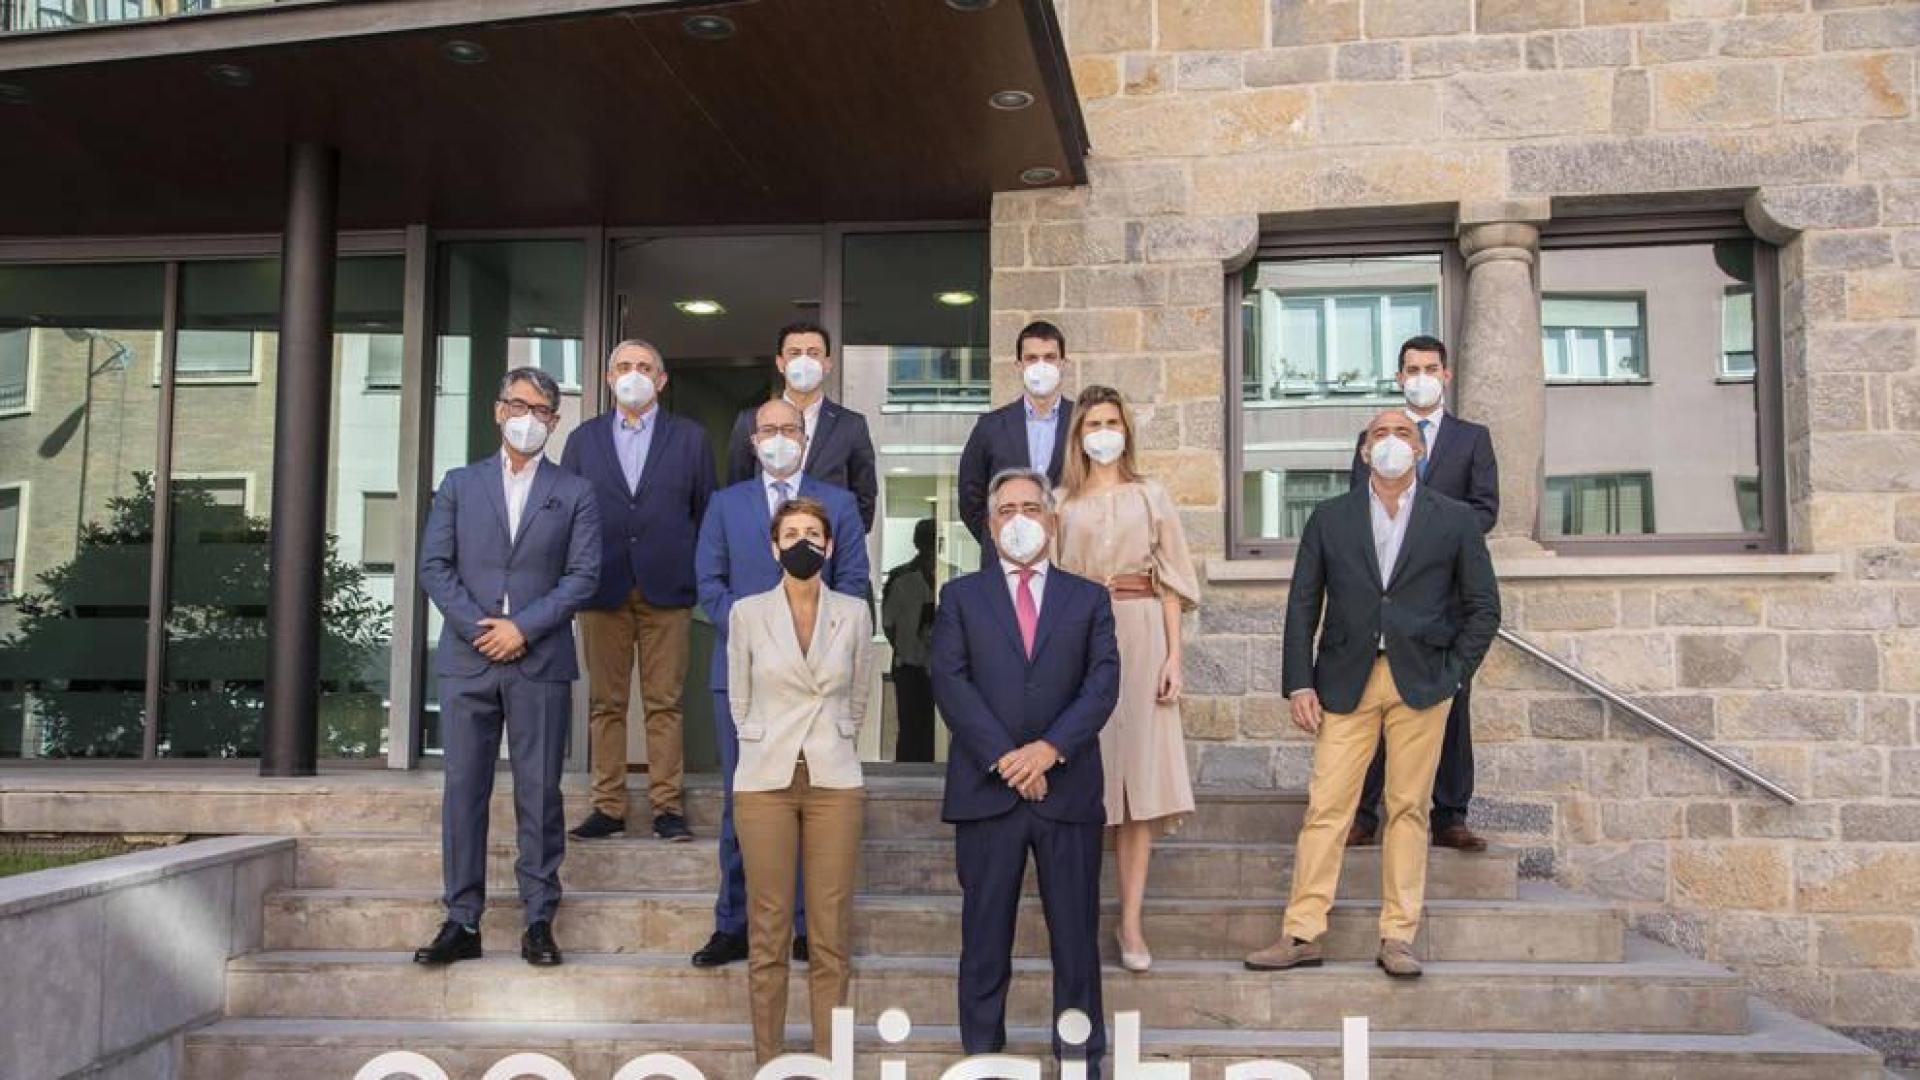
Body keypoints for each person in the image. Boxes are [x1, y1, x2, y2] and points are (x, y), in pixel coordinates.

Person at [1246, 410, 1500, 980]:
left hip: (1422, 681)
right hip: (1345, 680)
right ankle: (1302, 931)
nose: (1391, 442)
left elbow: (1484, 608)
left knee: (1409, 809)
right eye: (1380, 435)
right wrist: (1298, 680)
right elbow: (1303, 603)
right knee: (1327, 807)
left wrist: (1455, 673)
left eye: (1403, 433)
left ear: (1421, 451)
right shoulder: (1329, 518)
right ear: (1364, 453)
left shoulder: (1454, 520)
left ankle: (1398, 936)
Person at [933, 468, 1119, 1075]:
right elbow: (951, 682)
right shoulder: (961, 597)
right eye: (1006, 510)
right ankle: (983, 1061)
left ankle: (1081, 1059)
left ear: (1052, 519)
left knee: (1075, 942)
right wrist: (1009, 759)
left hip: (1066, 791)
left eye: (1031, 509)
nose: (1019, 520)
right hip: (988, 793)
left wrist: (1048, 750)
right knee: (985, 942)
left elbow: (1101, 684)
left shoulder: (1087, 597)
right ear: (990, 525)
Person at [414, 366, 601, 969]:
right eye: (519, 406)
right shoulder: (459, 484)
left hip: (539, 661)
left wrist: (524, 626)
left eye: (542, 410)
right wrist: (481, 629)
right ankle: (461, 919)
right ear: (499, 411)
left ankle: (539, 917)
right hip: (468, 663)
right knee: (463, 791)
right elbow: (434, 566)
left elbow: (583, 576)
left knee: (539, 794)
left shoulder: (575, 493)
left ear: (554, 420)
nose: (529, 419)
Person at [692, 397, 870, 969]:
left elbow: (856, 585)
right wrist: (755, 636)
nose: (777, 437)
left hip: (820, 686)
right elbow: (709, 582)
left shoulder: (837, 504)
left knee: (813, 799)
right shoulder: (725, 504)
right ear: (752, 440)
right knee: (742, 803)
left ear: (804, 435)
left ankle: (802, 926)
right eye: (766, 429)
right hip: (743, 680)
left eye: (788, 428)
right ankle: (733, 922)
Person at [1053, 385, 1200, 973]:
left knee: (1139, 782)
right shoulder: (1060, 503)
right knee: (1088, 776)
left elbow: (1169, 581)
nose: (1104, 431)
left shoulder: (1151, 496)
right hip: (1081, 636)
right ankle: (1079, 915)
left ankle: (1131, 920)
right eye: (1093, 422)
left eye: (1113, 421)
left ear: (1126, 430)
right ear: (1079, 435)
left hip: (1142, 630)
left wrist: (1174, 657)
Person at [729, 496, 873, 1063]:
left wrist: (835, 739)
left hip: (833, 781)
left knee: (830, 930)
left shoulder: (855, 613)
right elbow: (739, 697)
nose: (802, 543)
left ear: (830, 545)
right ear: (774, 546)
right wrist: (763, 740)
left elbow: (858, 695)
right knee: (767, 926)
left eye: (812, 533)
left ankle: (828, 1059)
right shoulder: (746, 613)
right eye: (790, 534)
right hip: (764, 781)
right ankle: (768, 1059)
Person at [1344, 335, 1499, 853]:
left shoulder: (1472, 438)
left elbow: (1486, 509)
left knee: (1451, 706)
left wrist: (1432, 526)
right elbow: (1356, 509)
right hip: (1385, 599)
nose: (1421, 376)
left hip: (1445, 599)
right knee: (1373, 704)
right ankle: (1364, 814)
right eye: (1411, 369)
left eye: (1430, 368)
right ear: (1399, 378)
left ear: (1447, 375)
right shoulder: (1374, 438)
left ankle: (1450, 816)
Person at [561, 340, 715, 844]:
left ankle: (667, 806)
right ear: (608, 378)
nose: (634, 375)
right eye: (625, 367)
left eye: (645, 367)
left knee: (664, 702)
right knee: (605, 703)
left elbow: (704, 513)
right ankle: (608, 805)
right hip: (602, 587)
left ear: (662, 380)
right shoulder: (583, 441)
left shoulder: (690, 439)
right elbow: (569, 518)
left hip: (667, 588)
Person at [725, 321, 879, 531]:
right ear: (780, 363)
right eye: (794, 353)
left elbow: (865, 496)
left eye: (813, 353)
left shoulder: (851, 425)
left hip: (827, 552)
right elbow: (737, 489)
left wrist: (842, 545)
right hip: (762, 549)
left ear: (827, 364)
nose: (804, 361)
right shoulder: (750, 421)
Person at [957, 320, 1076, 549]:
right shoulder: (990, 427)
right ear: (1019, 366)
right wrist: (999, 537)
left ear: (1063, 364)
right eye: (1032, 358)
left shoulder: (1082, 423)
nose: (1041, 366)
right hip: (1005, 558)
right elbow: (970, 497)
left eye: (1050, 357)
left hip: (1068, 556)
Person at [880, 519, 939, 763]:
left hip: (937, 664)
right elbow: (888, 623)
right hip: (908, 664)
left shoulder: (949, 575)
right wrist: (905, 650)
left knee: (931, 727)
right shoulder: (901, 577)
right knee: (909, 725)